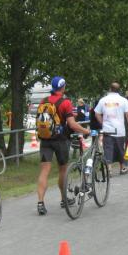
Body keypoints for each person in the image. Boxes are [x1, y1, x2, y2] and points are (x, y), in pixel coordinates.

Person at [36, 76, 91, 215]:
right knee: (62, 170)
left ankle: (40, 203)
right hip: (60, 140)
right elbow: (72, 124)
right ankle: (63, 199)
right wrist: (86, 131)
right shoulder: (65, 102)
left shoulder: (43, 101)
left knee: (44, 171)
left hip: (45, 139)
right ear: (63, 87)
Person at [95, 82, 128, 175]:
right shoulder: (123, 100)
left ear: (110, 89)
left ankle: (109, 169)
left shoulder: (103, 100)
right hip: (119, 129)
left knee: (108, 149)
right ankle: (122, 168)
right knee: (120, 149)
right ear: (119, 90)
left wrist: (103, 123)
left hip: (107, 130)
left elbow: (97, 113)